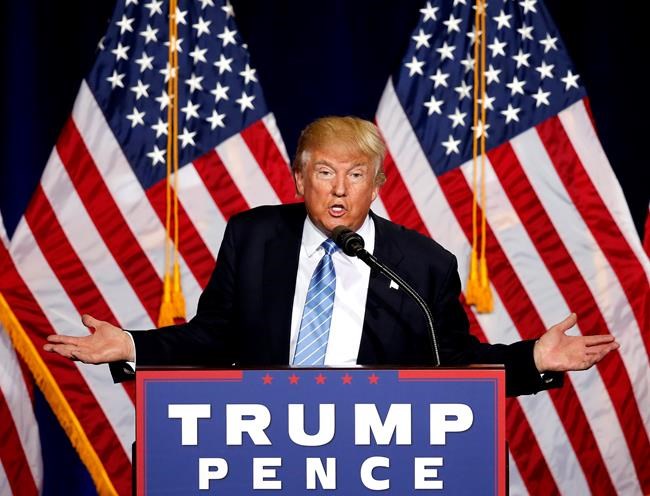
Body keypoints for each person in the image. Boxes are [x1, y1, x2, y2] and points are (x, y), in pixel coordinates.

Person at [44, 116, 618, 396]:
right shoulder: (254, 236)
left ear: (377, 186)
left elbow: (453, 364)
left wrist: (533, 360)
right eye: (324, 172)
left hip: (371, 454)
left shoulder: (423, 265)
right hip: (257, 443)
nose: (340, 189)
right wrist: (133, 345)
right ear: (299, 180)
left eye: (356, 175)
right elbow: (212, 336)